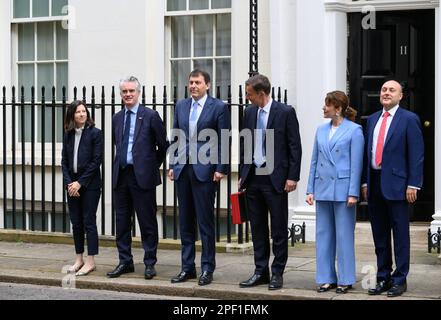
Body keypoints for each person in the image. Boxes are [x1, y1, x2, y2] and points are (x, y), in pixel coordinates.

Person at [238, 74, 302, 290]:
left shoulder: (285, 112)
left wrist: (292, 176)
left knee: (278, 229)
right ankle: (260, 271)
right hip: (253, 177)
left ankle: (277, 272)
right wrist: (242, 172)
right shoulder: (249, 112)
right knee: (256, 228)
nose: (247, 98)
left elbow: (294, 146)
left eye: (249, 94)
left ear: (261, 93)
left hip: (276, 179)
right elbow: (245, 141)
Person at [362, 80, 424, 297]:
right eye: (384, 90)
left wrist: (413, 184)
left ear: (400, 96)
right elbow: (366, 154)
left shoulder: (409, 119)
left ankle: (400, 279)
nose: (386, 93)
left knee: (400, 234)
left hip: (398, 185)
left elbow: (416, 154)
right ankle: (383, 277)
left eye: (391, 90)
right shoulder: (371, 120)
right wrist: (365, 182)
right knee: (379, 234)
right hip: (375, 183)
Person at [168, 69, 231, 286]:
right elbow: (176, 134)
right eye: (191, 82)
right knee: (185, 222)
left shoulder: (219, 107)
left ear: (208, 85)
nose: (193, 86)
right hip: (183, 170)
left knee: (205, 223)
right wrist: (172, 164)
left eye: (197, 82)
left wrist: (221, 168)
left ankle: (207, 268)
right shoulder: (181, 106)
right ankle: (187, 268)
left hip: (205, 171)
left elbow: (224, 139)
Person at [107, 76, 168, 280]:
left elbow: (163, 145)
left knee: (147, 222)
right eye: (124, 91)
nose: (128, 95)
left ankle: (150, 263)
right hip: (121, 176)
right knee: (122, 221)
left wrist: (151, 166)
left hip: (142, 177)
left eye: (131, 91)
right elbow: (118, 144)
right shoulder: (117, 118)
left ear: (138, 93)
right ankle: (125, 261)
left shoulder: (150, 115)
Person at [306, 91, 364, 294]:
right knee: (323, 235)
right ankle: (325, 278)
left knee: (344, 236)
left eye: (327, 105)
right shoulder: (320, 130)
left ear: (337, 108)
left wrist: (353, 192)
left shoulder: (355, 130)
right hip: (322, 188)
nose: (324, 108)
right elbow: (314, 161)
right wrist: (310, 189)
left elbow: (357, 165)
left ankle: (346, 279)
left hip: (343, 190)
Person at [61, 100, 103, 276]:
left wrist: (80, 182)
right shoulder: (68, 134)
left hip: (90, 185)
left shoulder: (95, 134)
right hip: (72, 185)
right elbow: (64, 161)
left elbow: (96, 161)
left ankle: (90, 261)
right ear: (72, 115)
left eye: (84, 111)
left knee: (88, 221)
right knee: (76, 223)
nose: (81, 114)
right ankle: (79, 258)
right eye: (78, 112)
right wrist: (70, 182)